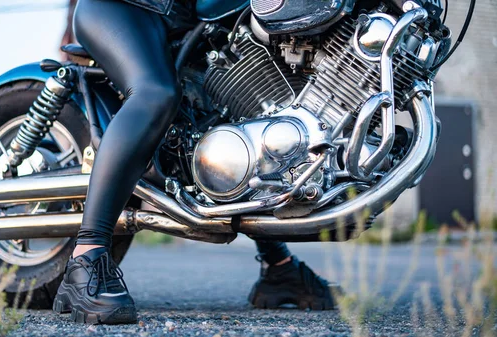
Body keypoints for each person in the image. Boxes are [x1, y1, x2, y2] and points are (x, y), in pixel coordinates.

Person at [52, 0, 338, 325]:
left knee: (243, 124)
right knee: (155, 93)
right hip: (125, 8)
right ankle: (87, 256)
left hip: (195, 20)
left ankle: (280, 267)